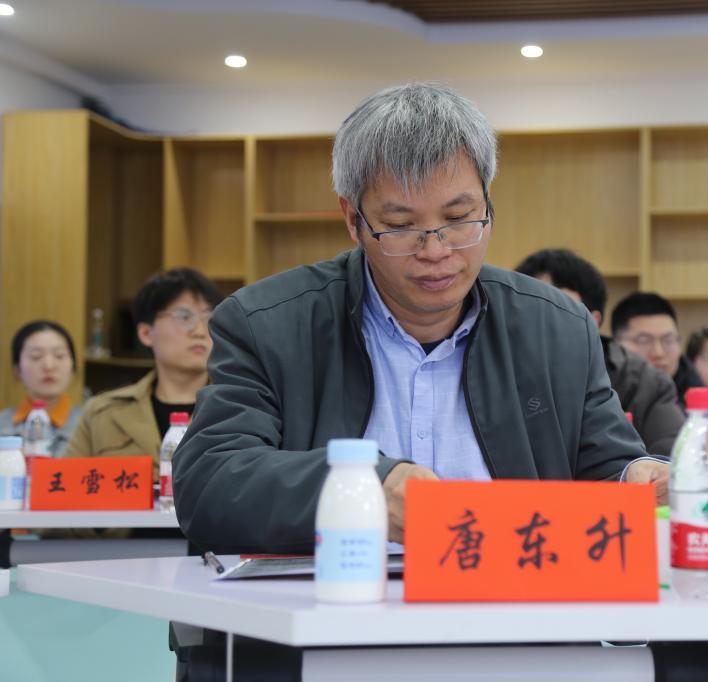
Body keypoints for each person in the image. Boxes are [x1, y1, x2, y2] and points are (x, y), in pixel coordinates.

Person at [173, 83, 668, 559]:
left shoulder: (556, 329)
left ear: (488, 203)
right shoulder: (267, 324)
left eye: (458, 218)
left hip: (513, 606)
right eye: (400, 226)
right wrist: (362, 487)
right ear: (353, 220)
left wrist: (638, 476)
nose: (436, 250)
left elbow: (607, 466)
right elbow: (209, 483)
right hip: (333, 606)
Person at [515, 249, 685, 455]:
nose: (541, 322)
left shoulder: (645, 383)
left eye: (554, 309)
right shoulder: (499, 370)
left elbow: (670, 459)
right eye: (530, 309)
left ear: (592, 321)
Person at [65, 268, 223, 478]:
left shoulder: (240, 408)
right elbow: (66, 486)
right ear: (146, 333)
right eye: (184, 317)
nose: (201, 331)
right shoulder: (102, 413)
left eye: (208, 317)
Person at [0, 320, 82, 456]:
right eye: (36, 357)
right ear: (17, 369)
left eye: (59, 355)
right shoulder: (2, 425)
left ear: (73, 367)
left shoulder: (91, 426)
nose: (49, 366)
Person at [610, 292, 703, 405]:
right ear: (615, 346)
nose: (658, 353)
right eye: (644, 341)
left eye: (668, 340)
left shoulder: (698, 404)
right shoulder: (600, 398)